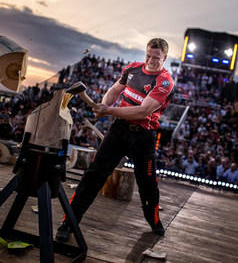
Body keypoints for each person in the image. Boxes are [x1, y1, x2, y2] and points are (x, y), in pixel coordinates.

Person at [56, 38, 176, 242]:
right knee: (94, 174)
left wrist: (108, 110)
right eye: (148, 55)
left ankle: (153, 220)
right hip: (119, 130)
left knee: (148, 184)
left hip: (144, 137)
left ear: (164, 58)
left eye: (156, 58)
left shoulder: (165, 81)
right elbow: (114, 91)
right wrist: (103, 105)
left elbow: (142, 111)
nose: (150, 60)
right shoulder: (132, 69)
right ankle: (69, 221)